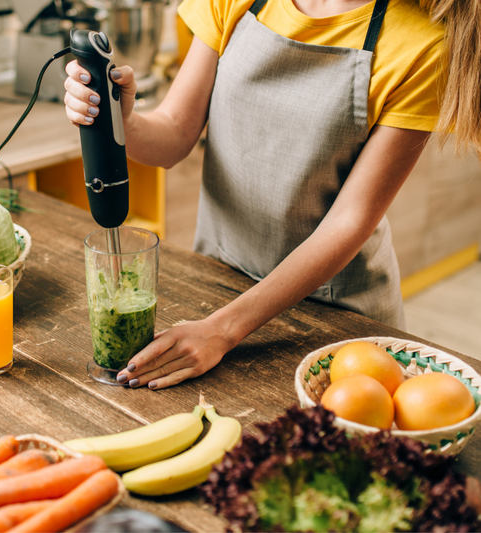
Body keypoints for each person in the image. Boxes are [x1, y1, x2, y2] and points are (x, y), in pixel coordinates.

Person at [64, 0, 481, 390]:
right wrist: (124, 121)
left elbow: (350, 221)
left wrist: (223, 331)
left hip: (332, 326)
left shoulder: (422, 45)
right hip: (219, 290)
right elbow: (173, 135)